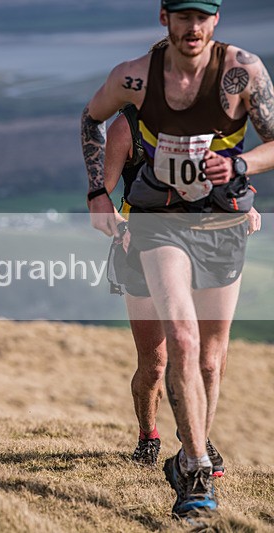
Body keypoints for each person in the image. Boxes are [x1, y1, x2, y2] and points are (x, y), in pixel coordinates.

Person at [82, 0, 274, 520]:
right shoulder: (133, 82)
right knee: (174, 346)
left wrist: (238, 165)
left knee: (210, 359)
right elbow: (92, 120)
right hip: (155, 225)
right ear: (164, 17)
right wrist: (98, 194)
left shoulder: (242, 72)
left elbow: (272, 141)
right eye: (183, 15)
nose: (193, 27)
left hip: (222, 224)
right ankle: (192, 469)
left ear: (216, 19)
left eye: (202, 16)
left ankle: (195, 445)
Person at [104, 101, 261, 473]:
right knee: (155, 365)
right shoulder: (126, 127)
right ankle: (148, 433)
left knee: (208, 357)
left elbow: (224, 170)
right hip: (142, 247)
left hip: (204, 243)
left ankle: (196, 442)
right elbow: (100, 193)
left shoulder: (203, 117)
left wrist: (244, 203)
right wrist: (123, 228)